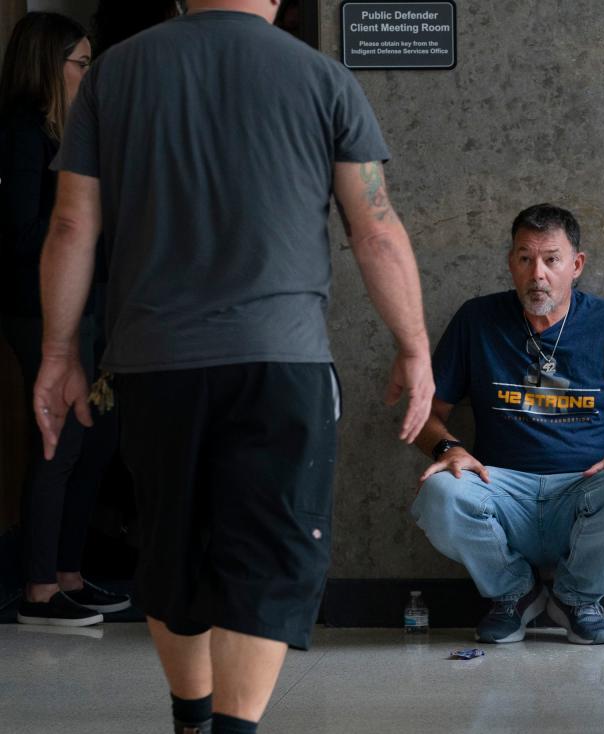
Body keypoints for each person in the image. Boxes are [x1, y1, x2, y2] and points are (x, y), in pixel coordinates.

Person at [33, 1, 433, 733]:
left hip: (154, 362)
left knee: (170, 544)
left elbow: (71, 224)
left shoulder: (114, 73)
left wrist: (58, 354)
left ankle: (191, 719)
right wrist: (414, 344)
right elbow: (374, 227)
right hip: (281, 362)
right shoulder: (324, 77)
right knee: (271, 552)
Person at [410, 203, 604, 646]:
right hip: (502, 494)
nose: (537, 273)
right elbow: (424, 413)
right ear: (511, 263)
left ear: (576, 265)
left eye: (551, 259)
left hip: (584, 493)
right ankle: (513, 595)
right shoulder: (477, 320)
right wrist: (448, 449)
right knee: (439, 492)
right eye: (525, 258)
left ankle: (576, 599)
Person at [0, 11, 130, 628]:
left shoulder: (71, 132)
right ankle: (40, 588)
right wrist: (82, 223)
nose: (88, 72)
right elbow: (24, 234)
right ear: (48, 67)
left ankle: (70, 573)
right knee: (62, 438)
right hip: (43, 307)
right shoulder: (24, 134)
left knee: (96, 436)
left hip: (89, 302)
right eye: (80, 62)